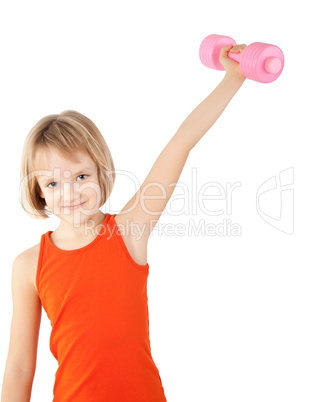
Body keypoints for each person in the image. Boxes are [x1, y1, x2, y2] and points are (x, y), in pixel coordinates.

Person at [1, 44, 246, 402]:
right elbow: (20, 365)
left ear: (100, 172)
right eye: (53, 183)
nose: (69, 192)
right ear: (38, 192)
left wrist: (233, 78)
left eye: (81, 176)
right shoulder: (27, 266)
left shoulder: (130, 229)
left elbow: (180, 144)